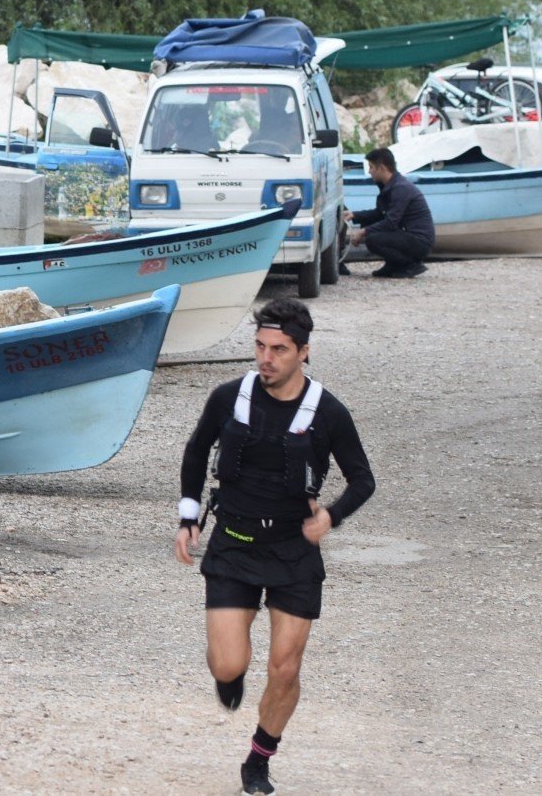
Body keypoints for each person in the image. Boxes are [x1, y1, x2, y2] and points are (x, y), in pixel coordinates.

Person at [174, 298, 375, 795]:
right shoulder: (228, 398)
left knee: (285, 667)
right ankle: (230, 673)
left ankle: (259, 757)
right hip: (235, 543)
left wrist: (332, 514)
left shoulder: (327, 411)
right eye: (260, 346)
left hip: (293, 551)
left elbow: (363, 479)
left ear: (304, 352)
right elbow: (197, 452)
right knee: (228, 665)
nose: (267, 358)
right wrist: (188, 516)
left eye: (280, 349)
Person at [344, 147, 435, 278]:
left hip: (419, 241)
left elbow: (390, 223)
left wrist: (363, 232)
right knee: (372, 230)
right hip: (407, 235)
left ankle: (409, 265)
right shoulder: (389, 185)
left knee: (373, 239)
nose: (369, 172)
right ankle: (392, 264)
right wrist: (354, 215)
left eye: (371, 167)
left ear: (381, 168)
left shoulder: (401, 188)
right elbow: (380, 213)